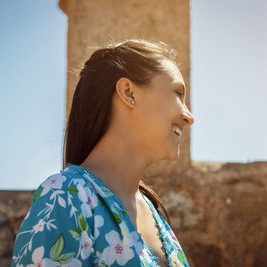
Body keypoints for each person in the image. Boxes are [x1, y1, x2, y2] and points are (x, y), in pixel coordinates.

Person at [11, 39, 194, 267]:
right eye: (178, 93)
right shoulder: (64, 198)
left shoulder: (154, 213)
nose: (189, 117)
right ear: (128, 92)